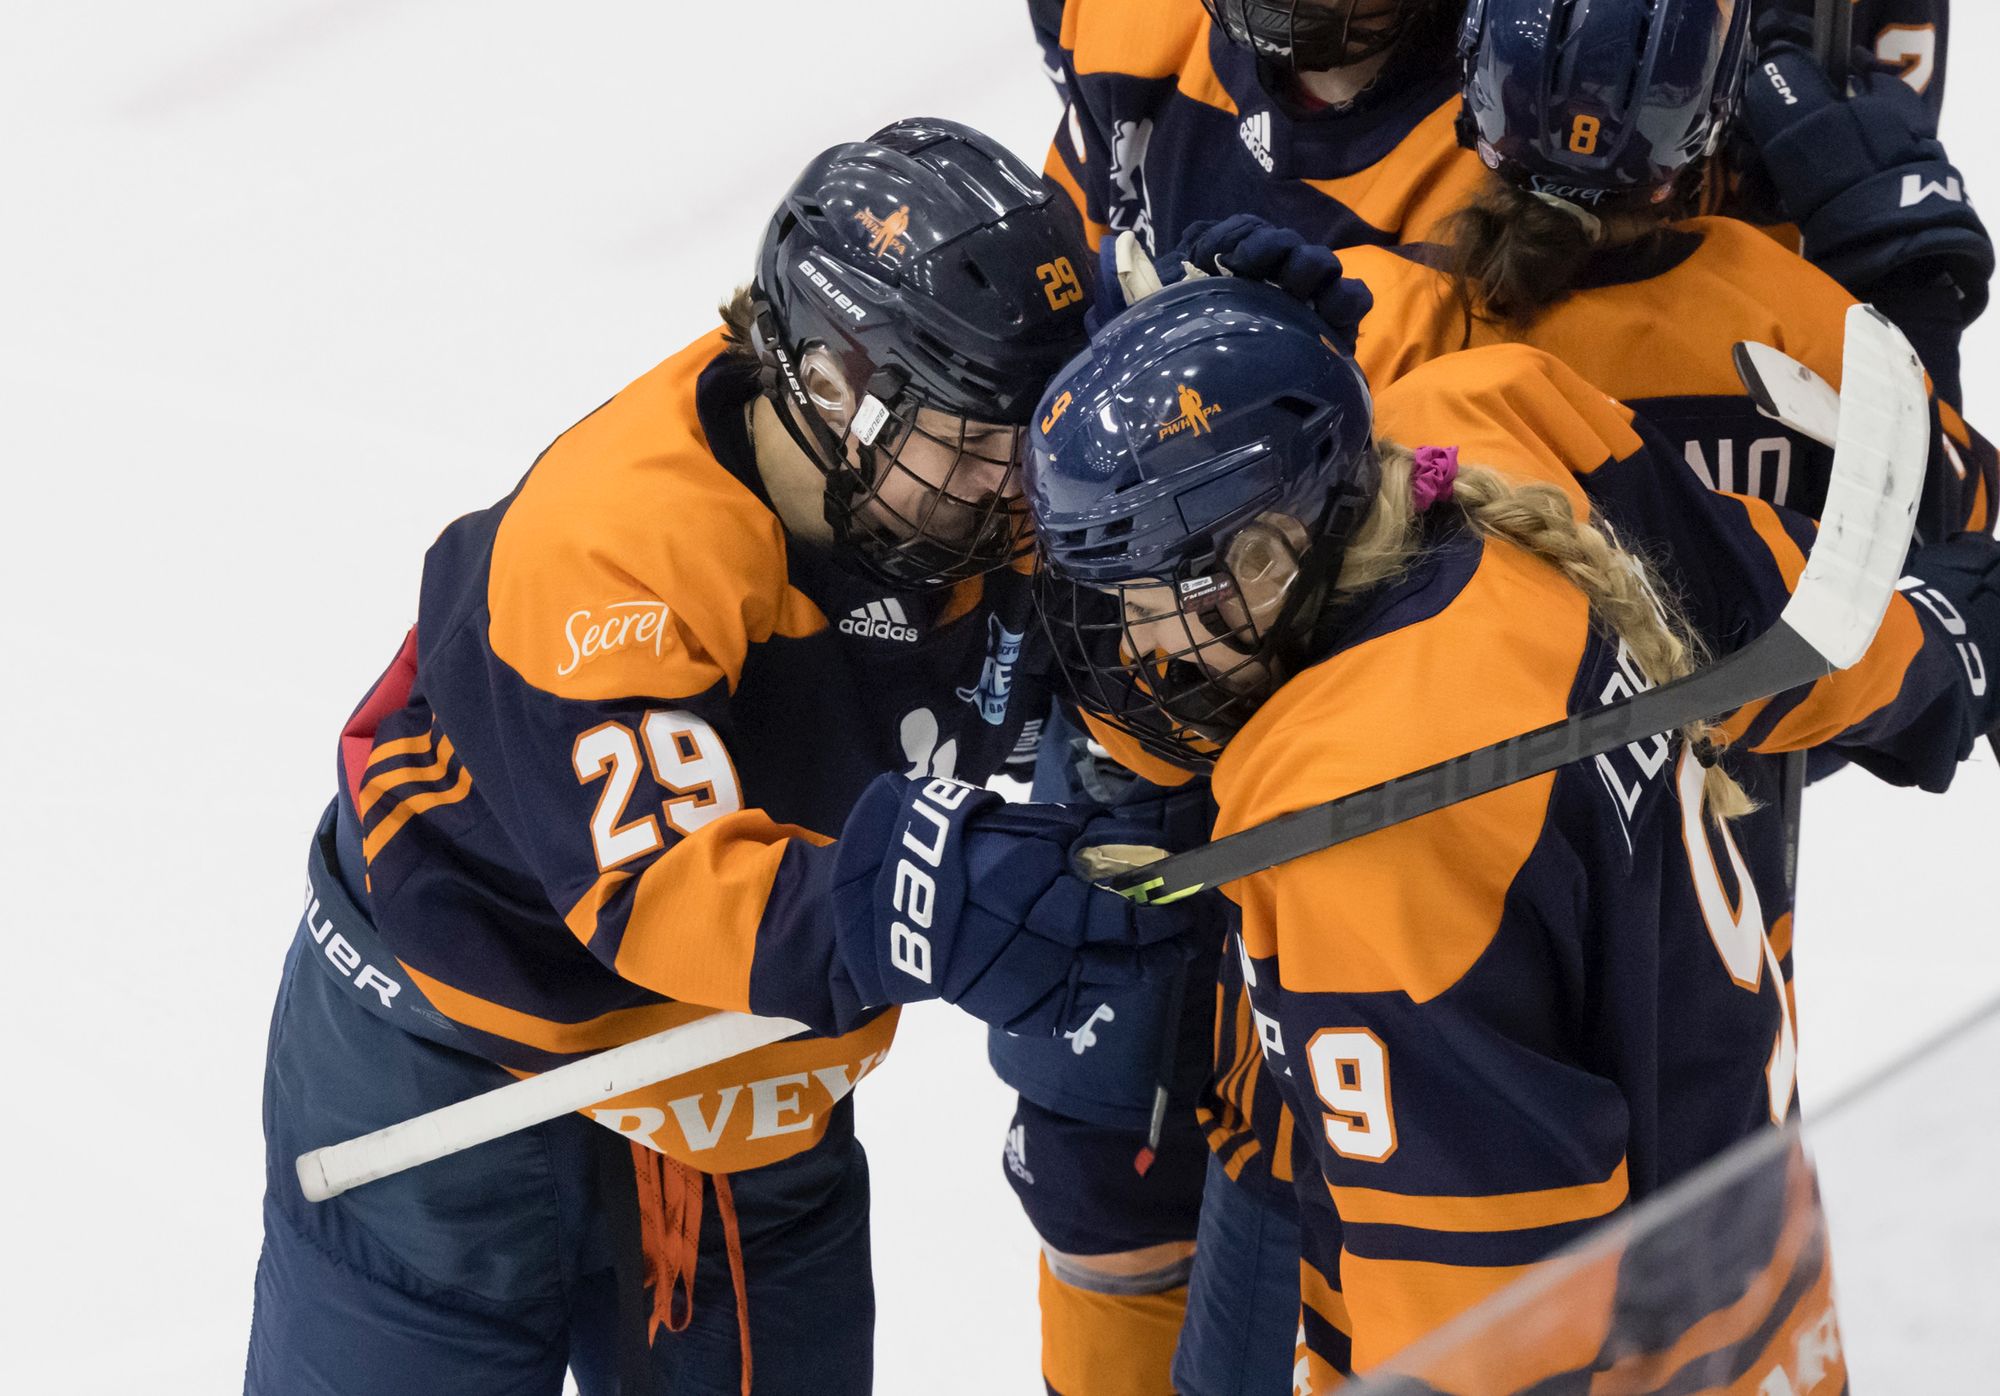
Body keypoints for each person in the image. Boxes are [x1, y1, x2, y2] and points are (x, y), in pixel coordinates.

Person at [243, 117, 1201, 1396]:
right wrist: (937, 887)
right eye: (968, 442)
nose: (1011, 490)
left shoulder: (989, 486)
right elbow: (666, 890)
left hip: (743, 1068)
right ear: (824, 384)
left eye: (1027, 439)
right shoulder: (612, 546)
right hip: (450, 1060)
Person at [1025, 272, 2000, 1388]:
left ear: (1264, 557)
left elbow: (1481, 1335)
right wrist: (1935, 652)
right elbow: (1754, 600)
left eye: (1151, 592)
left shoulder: (1353, 815)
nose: (1137, 642)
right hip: (1760, 1300)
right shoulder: (1477, 424)